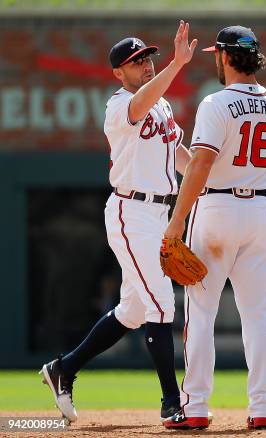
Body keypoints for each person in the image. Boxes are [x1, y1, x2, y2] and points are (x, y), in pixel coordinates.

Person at [40, 21, 198, 424]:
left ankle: (64, 369)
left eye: (147, 57)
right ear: (118, 73)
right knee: (162, 302)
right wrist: (177, 65)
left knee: (132, 309)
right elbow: (142, 102)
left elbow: (178, 152)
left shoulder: (161, 106)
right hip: (131, 213)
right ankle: (171, 403)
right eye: (135, 61)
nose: (144, 65)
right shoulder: (118, 106)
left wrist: (203, 174)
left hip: (158, 212)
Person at [161, 26, 266, 431]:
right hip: (258, 210)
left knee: (200, 311)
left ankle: (195, 406)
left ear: (226, 57)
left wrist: (176, 220)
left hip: (215, 208)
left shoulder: (215, 102)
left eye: (218, 53)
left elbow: (200, 165)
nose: (216, 59)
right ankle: (264, 407)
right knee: (257, 314)